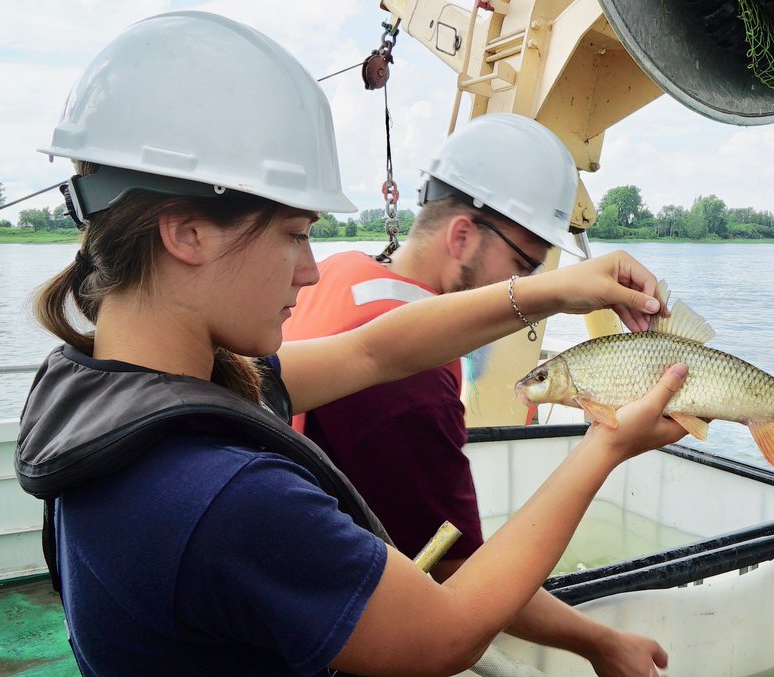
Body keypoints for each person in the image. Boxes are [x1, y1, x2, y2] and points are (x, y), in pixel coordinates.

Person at [16, 11, 689, 677]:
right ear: (187, 233)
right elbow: (444, 635)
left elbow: (376, 352)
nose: (310, 269)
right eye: (295, 232)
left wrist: (555, 291)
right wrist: (606, 445)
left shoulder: (112, 389)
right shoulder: (225, 495)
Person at [282, 113, 670, 675]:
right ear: (461, 235)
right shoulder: (414, 387)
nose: (528, 288)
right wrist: (603, 643)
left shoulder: (343, 270)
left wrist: (547, 295)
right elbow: (459, 575)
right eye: (522, 268)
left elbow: (375, 348)